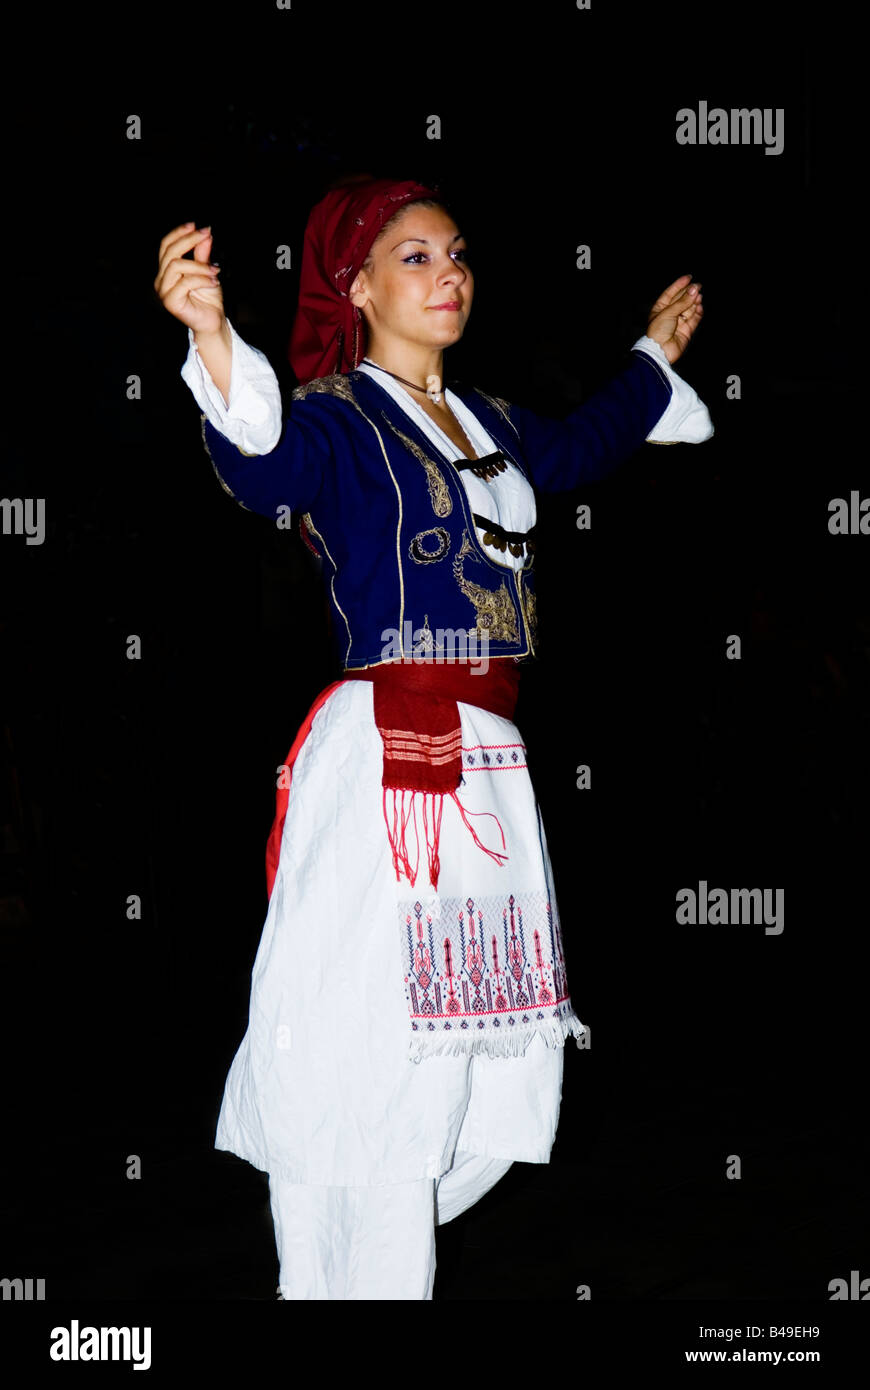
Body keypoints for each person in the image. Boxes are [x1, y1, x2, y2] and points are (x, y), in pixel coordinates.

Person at [153, 174, 712, 1300]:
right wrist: (215, 336)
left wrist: (653, 355)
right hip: (385, 763)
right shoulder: (337, 421)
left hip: (490, 769)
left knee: (465, 1063)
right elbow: (266, 462)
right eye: (414, 257)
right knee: (371, 1044)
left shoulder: (496, 425)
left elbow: (585, 443)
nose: (448, 271)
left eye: (457, 252)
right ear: (356, 288)